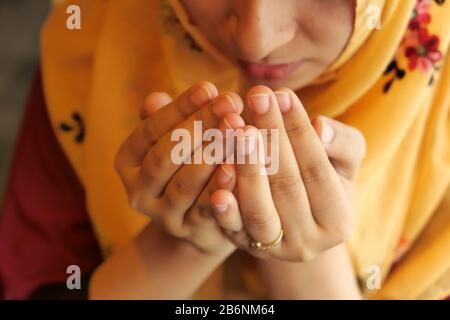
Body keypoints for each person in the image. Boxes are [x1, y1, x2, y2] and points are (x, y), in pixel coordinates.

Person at [1, 0, 449, 300]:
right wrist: (183, 245)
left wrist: (310, 266)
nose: (258, 38)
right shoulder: (95, 35)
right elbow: (33, 277)